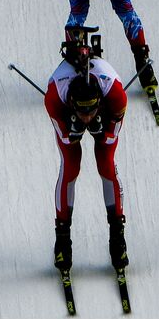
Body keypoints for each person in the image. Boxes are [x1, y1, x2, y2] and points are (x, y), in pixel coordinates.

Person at [44, 32, 128, 271]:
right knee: (71, 165)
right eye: (81, 111)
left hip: (105, 108)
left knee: (106, 164)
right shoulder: (55, 96)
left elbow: (114, 134)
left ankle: (118, 235)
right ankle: (62, 239)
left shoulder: (115, 94)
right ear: (71, 102)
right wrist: (74, 131)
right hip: (68, 110)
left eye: (91, 110)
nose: (87, 116)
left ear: (99, 102)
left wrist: (103, 131)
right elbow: (63, 136)